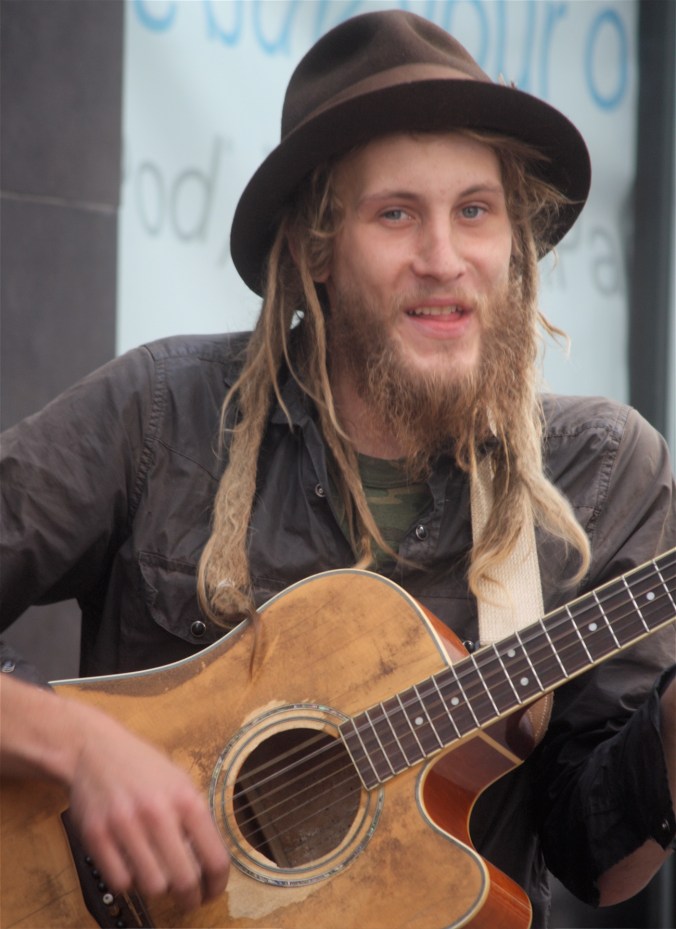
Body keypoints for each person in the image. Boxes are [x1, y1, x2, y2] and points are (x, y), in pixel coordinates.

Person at [1, 9, 674, 928]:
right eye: (397, 213)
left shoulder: (600, 471)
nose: (443, 260)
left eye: (474, 211)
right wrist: (78, 748)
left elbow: (597, 856)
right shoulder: (161, 414)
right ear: (316, 247)